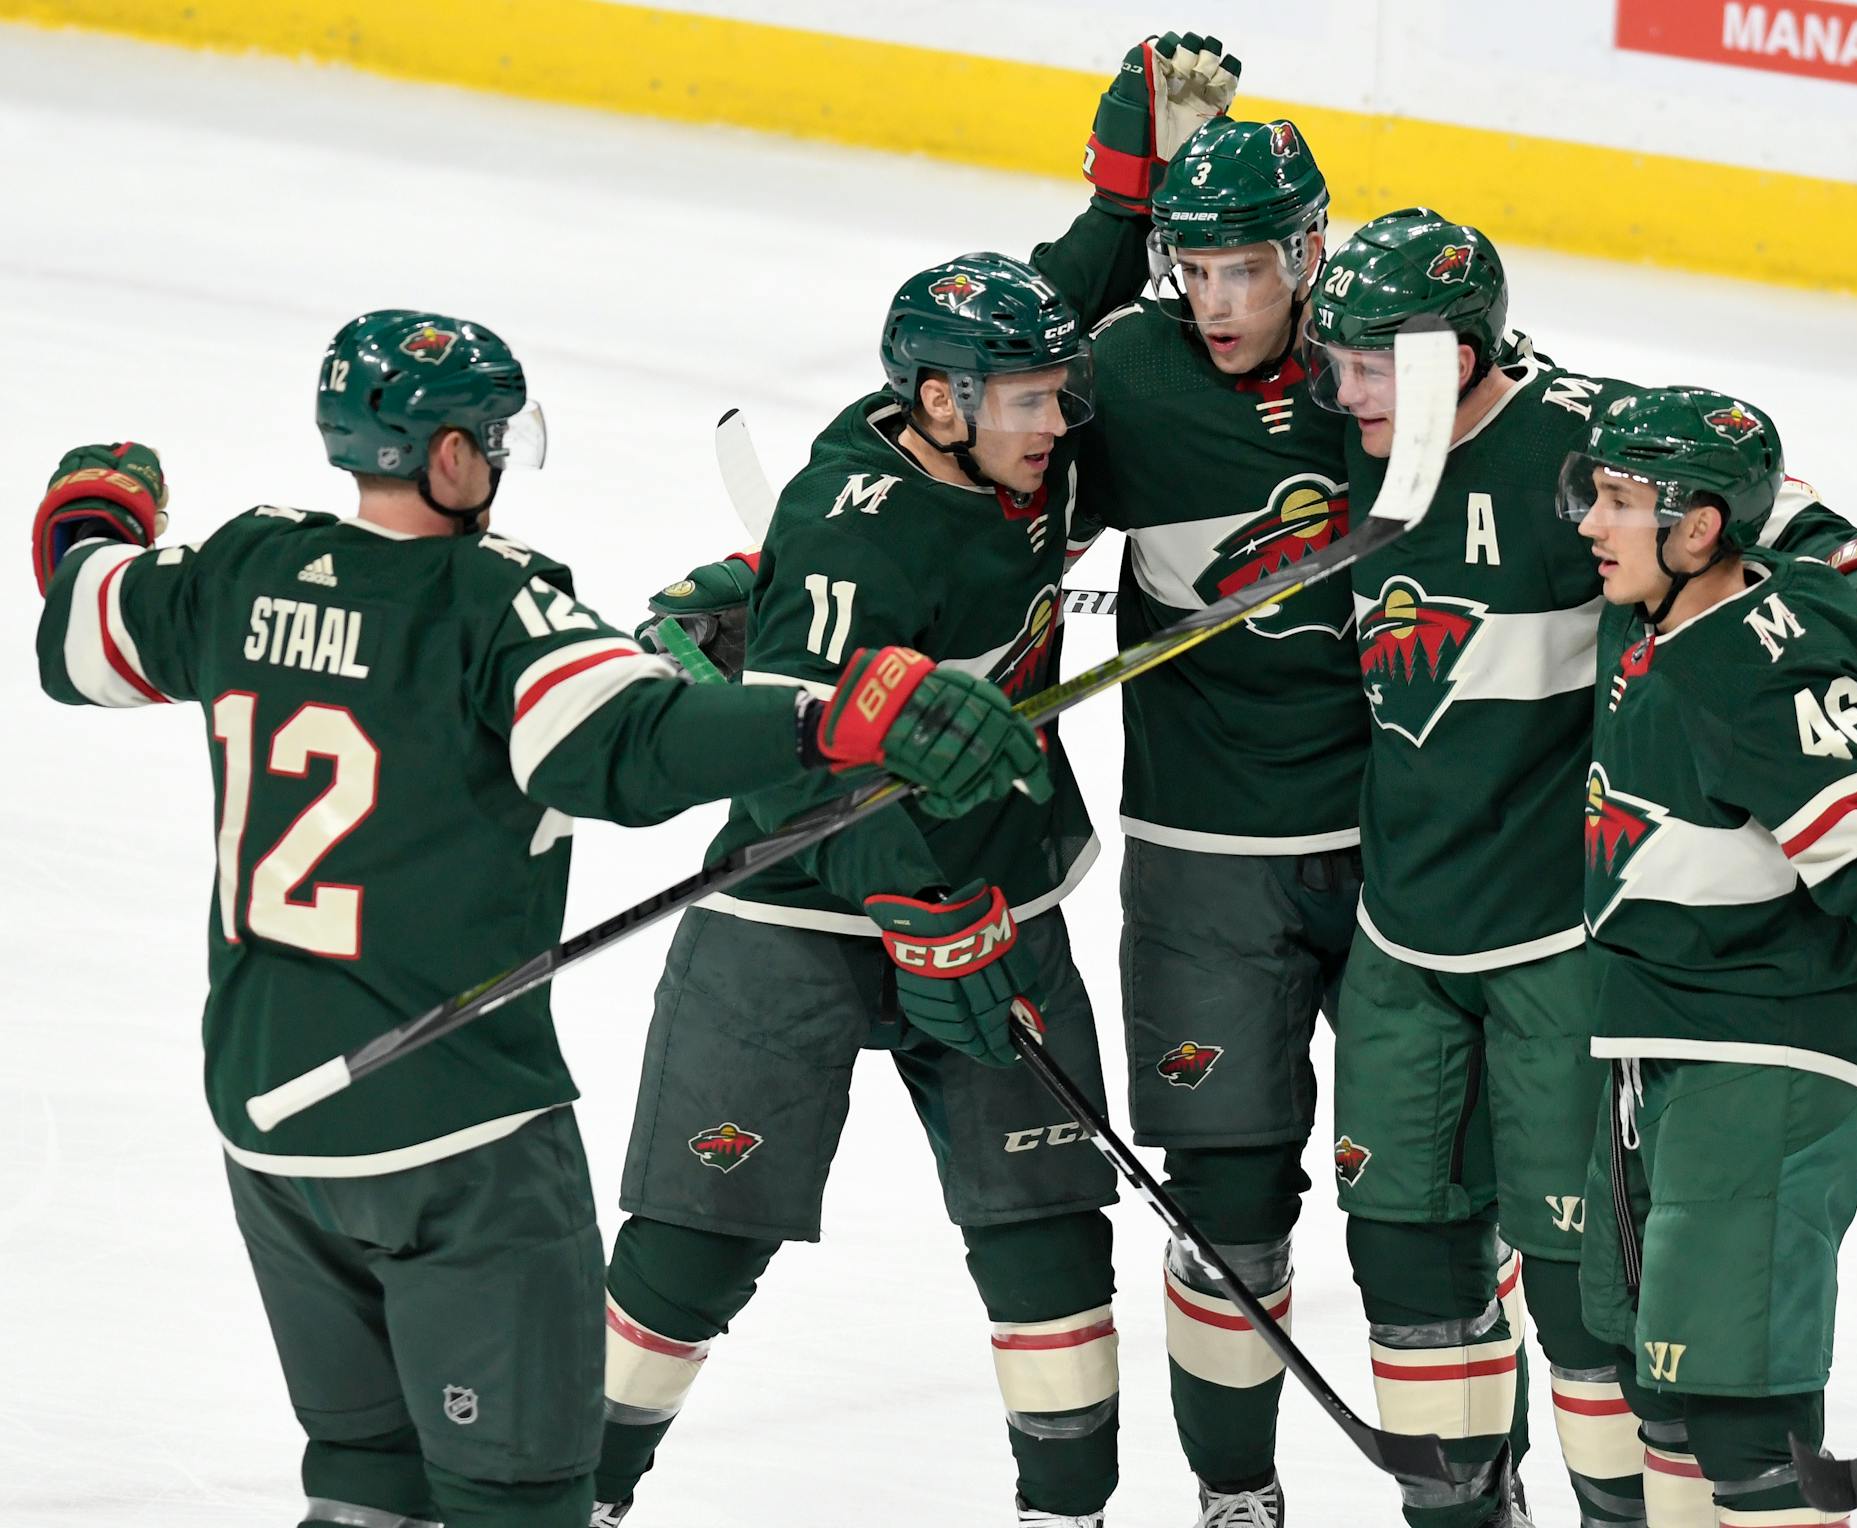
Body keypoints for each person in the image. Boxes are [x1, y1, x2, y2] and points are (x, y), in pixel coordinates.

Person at [27, 311, 1047, 1528]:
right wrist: (841, 710)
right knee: (521, 1500)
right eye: (493, 436)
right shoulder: (493, 608)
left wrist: (96, 512)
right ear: (450, 457)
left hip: (271, 1124)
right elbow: (634, 744)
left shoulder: (243, 568)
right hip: (456, 1136)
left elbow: (80, 623)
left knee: (364, 1483)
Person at [1303, 213, 1857, 1528]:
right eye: (1337, 362)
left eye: (1372, 365)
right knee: (1408, 1269)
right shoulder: (1341, 441)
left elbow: (1771, 519)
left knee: (1586, 1301)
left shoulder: (1582, 439)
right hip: (1402, 935)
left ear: (1456, 353)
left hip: (1562, 949)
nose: (1342, 391)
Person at [593, 254, 1128, 1528]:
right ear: (941, 403)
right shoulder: (850, 521)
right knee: (697, 1239)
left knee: (1050, 1232)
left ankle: (1069, 1515)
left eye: (1061, 395)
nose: (1059, 426)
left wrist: (1120, 196)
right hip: (795, 918)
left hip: (997, 898)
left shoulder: (1011, 448)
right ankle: (566, 1499)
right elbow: (794, 774)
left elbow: (1059, 290)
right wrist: (913, 911)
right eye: (1029, 401)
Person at [1561, 387, 1857, 1528]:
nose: (1588, 522)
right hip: (1666, 1031)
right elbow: (1775, 498)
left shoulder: (1758, 667)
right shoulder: (1664, 601)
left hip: (1774, 1049)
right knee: (1662, 1393)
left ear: (1695, 533)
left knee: (1741, 1419)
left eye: (1619, 503)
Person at [1065, 114, 1358, 1528]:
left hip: (1408, 851)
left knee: (1448, 1203)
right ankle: (1235, 1496)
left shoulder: (1399, 357)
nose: (1220, 302)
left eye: (1247, 269)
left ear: (1309, 252)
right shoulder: (1126, 370)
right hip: (1204, 856)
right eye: (1193, 269)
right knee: (1227, 1200)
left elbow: (1590, 446)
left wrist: (1806, 529)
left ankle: (1483, 1488)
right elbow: (975, 469)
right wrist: (794, 570)